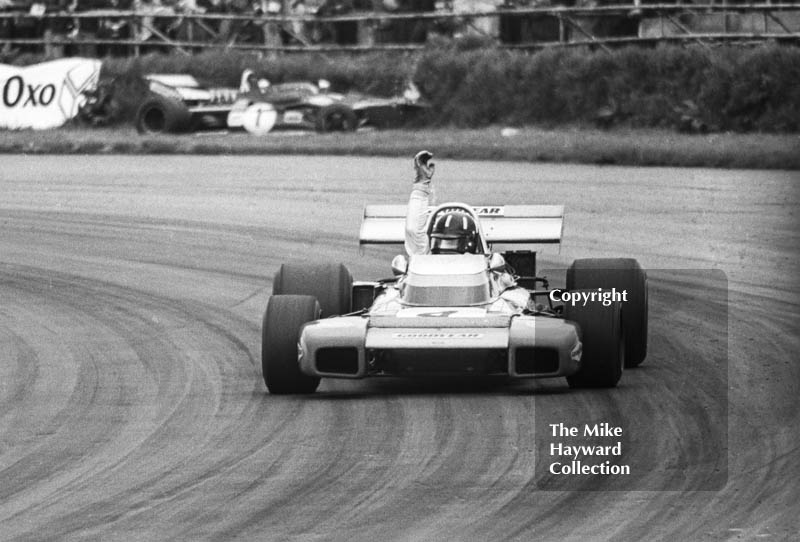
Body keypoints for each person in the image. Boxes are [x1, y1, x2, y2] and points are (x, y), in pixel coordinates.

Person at [404, 150, 531, 310]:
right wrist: (421, 184)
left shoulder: (488, 265)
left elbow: (511, 289)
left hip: (480, 304)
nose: (445, 248)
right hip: (419, 305)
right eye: (441, 241)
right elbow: (413, 230)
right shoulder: (424, 258)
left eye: (451, 242)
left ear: (470, 243)